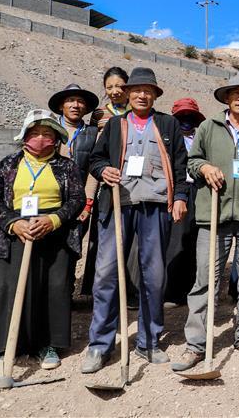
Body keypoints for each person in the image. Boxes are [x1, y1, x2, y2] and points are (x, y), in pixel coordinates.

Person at [172, 74, 239, 371]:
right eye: (236, 93)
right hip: (214, 216)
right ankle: (196, 344)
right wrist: (206, 166)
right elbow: (191, 162)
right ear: (226, 98)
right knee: (205, 279)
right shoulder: (208, 127)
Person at [83, 67, 189, 373]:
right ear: (128, 94)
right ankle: (100, 345)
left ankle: (149, 341)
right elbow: (95, 159)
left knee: (153, 275)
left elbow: (180, 167)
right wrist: (103, 170)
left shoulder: (168, 125)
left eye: (148, 90)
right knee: (106, 273)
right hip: (119, 205)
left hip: (156, 206)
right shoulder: (115, 125)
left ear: (155, 95)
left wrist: (180, 196)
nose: (142, 95)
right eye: (137, 90)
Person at [0, 110, 85, 370]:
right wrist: (12, 223)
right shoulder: (7, 165)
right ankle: (9, 346)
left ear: (56, 139)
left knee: (51, 288)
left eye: (47, 134)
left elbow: (76, 200)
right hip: (15, 232)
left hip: (54, 234)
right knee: (11, 287)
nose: (41, 139)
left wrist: (53, 220)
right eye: (35, 133)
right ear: (25, 137)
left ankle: (47, 345)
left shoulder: (67, 167)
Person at [82, 67, 132, 298]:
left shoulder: (138, 112)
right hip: (103, 180)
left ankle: (128, 289)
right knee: (102, 237)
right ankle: (97, 290)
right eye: (109, 87)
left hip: (131, 183)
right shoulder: (99, 115)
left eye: (119, 86)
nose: (114, 91)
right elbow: (94, 151)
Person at [163, 98, 206, 307]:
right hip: (176, 190)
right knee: (176, 239)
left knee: (195, 239)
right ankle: (171, 291)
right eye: (181, 117)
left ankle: (191, 288)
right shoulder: (168, 140)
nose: (186, 121)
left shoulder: (202, 139)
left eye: (190, 117)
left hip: (199, 191)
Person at [48, 83, 100, 223]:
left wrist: (88, 203)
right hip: (48, 198)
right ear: (61, 106)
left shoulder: (94, 134)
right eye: (70, 100)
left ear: (86, 108)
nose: (75, 105)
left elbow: (92, 172)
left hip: (78, 199)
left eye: (80, 101)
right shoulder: (48, 130)